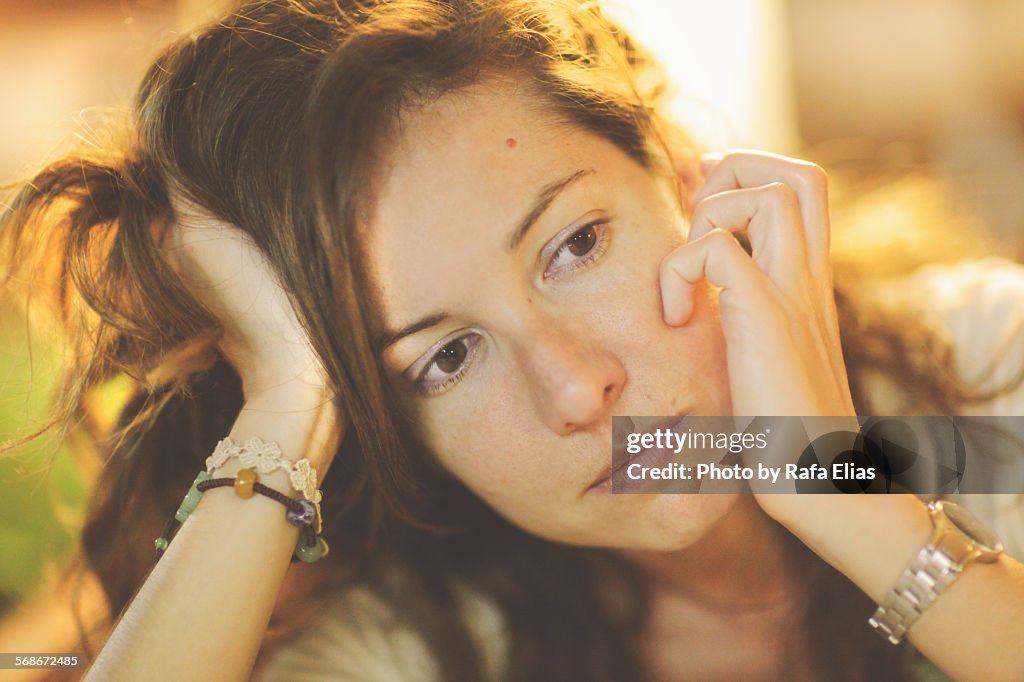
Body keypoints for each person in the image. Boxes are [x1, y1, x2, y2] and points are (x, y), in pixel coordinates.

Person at [1, 0, 1022, 680]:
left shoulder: (978, 378)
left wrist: (835, 487)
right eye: (443, 357)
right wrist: (286, 398)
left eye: (575, 245)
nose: (576, 390)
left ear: (677, 174)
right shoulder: (427, 640)